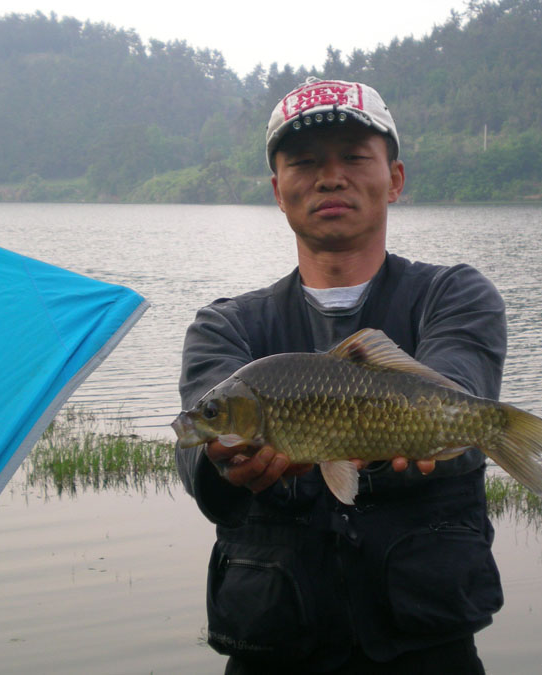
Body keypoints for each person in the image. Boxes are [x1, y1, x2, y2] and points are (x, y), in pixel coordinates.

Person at [175, 77, 506, 674]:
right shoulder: (225, 325)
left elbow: (458, 393)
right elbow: (199, 452)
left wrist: (381, 433)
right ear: (278, 191)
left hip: (427, 644)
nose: (330, 178)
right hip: (274, 642)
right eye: (305, 162)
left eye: (353, 157)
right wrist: (220, 463)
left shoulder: (454, 294)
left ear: (394, 179)